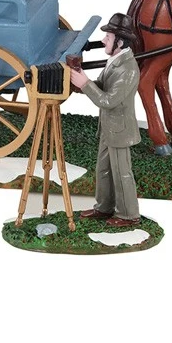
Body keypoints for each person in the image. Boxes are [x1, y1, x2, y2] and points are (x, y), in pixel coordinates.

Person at [69, 13, 141, 227]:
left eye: (108, 38)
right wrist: (81, 83)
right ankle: (104, 207)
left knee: (122, 173)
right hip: (108, 128)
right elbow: (101, 85)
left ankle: (128, 215)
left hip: (119, 130)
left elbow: (108, 101)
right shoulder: (115, 62)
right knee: (103, 170)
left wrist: (84, 84)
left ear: (119, 42)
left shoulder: (128, 69)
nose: (103, 41)